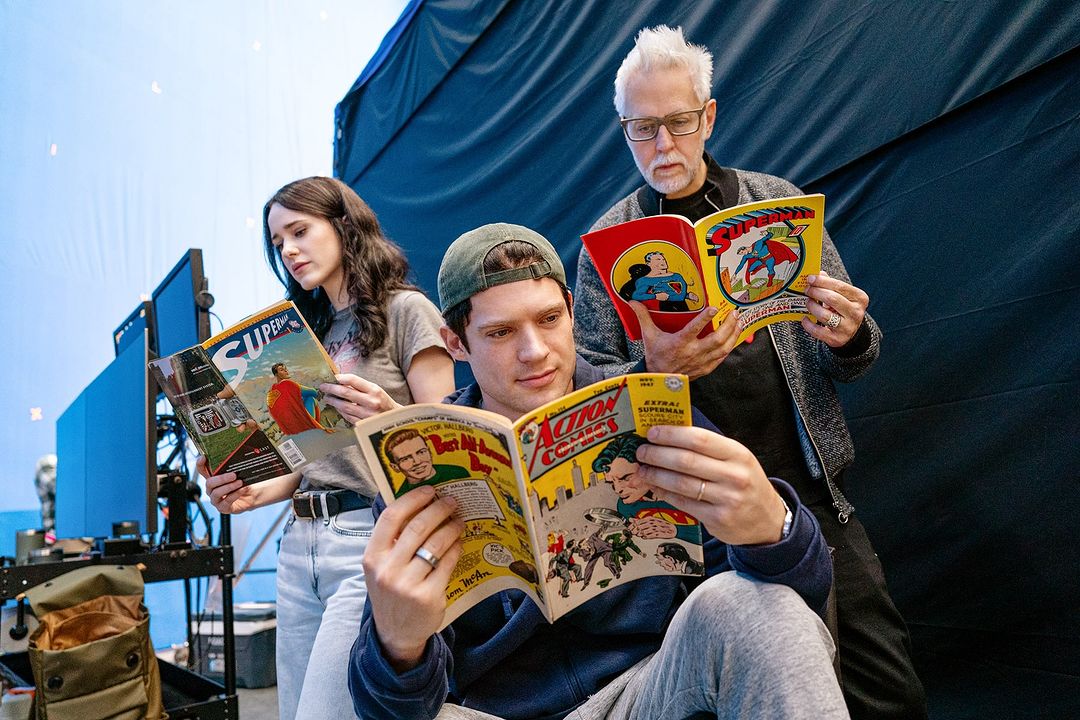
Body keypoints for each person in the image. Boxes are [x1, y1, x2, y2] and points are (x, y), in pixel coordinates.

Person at [348, 223, 847, 719]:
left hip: (646, 693)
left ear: (571, 310)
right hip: (497, 711)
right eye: (500, 333)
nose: (534, 351)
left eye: (548, 319)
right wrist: (398, 643)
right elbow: (387, 705)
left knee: (758, 609)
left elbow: (800, 596)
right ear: (456, 343)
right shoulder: (419, 468)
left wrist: (773, 532)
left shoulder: (649, 408)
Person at [573, 25, 926, 719]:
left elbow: (855, 352)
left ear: (707, 117)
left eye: (677, 122)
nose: (663, 146)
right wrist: (656, 371)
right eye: (642, 129)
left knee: (888, 692)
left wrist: (849, 332)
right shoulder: (605, 245)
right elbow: (588, 394)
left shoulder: (774, 201)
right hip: (688, 523)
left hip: (814, 498)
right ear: (624, 132)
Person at [199, 176, 456, 720]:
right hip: (298, 546)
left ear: (343, 226)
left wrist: (389, 417)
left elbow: (449, 445)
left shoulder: (407, 311)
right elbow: (307, 460)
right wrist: (247, 491)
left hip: (369, 536)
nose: (288, 250)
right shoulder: (300, 332)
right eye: (277, 242)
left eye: (299, 230)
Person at [383, 428, 470, 490]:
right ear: (395, 467)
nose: (417, 462)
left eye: (421, 452)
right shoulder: (399, 498)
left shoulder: (458, 473)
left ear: (429, 452)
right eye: (405, 459)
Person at [266, 362, 332, 435]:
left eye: (286, 369)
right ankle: (313, 428)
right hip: (302, 425)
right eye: (282, 370)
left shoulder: (271, 392)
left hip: (289, 430)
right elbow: (313, 392)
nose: (286, 371)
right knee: (310, 399)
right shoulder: (287, 383)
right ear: (276, 374)